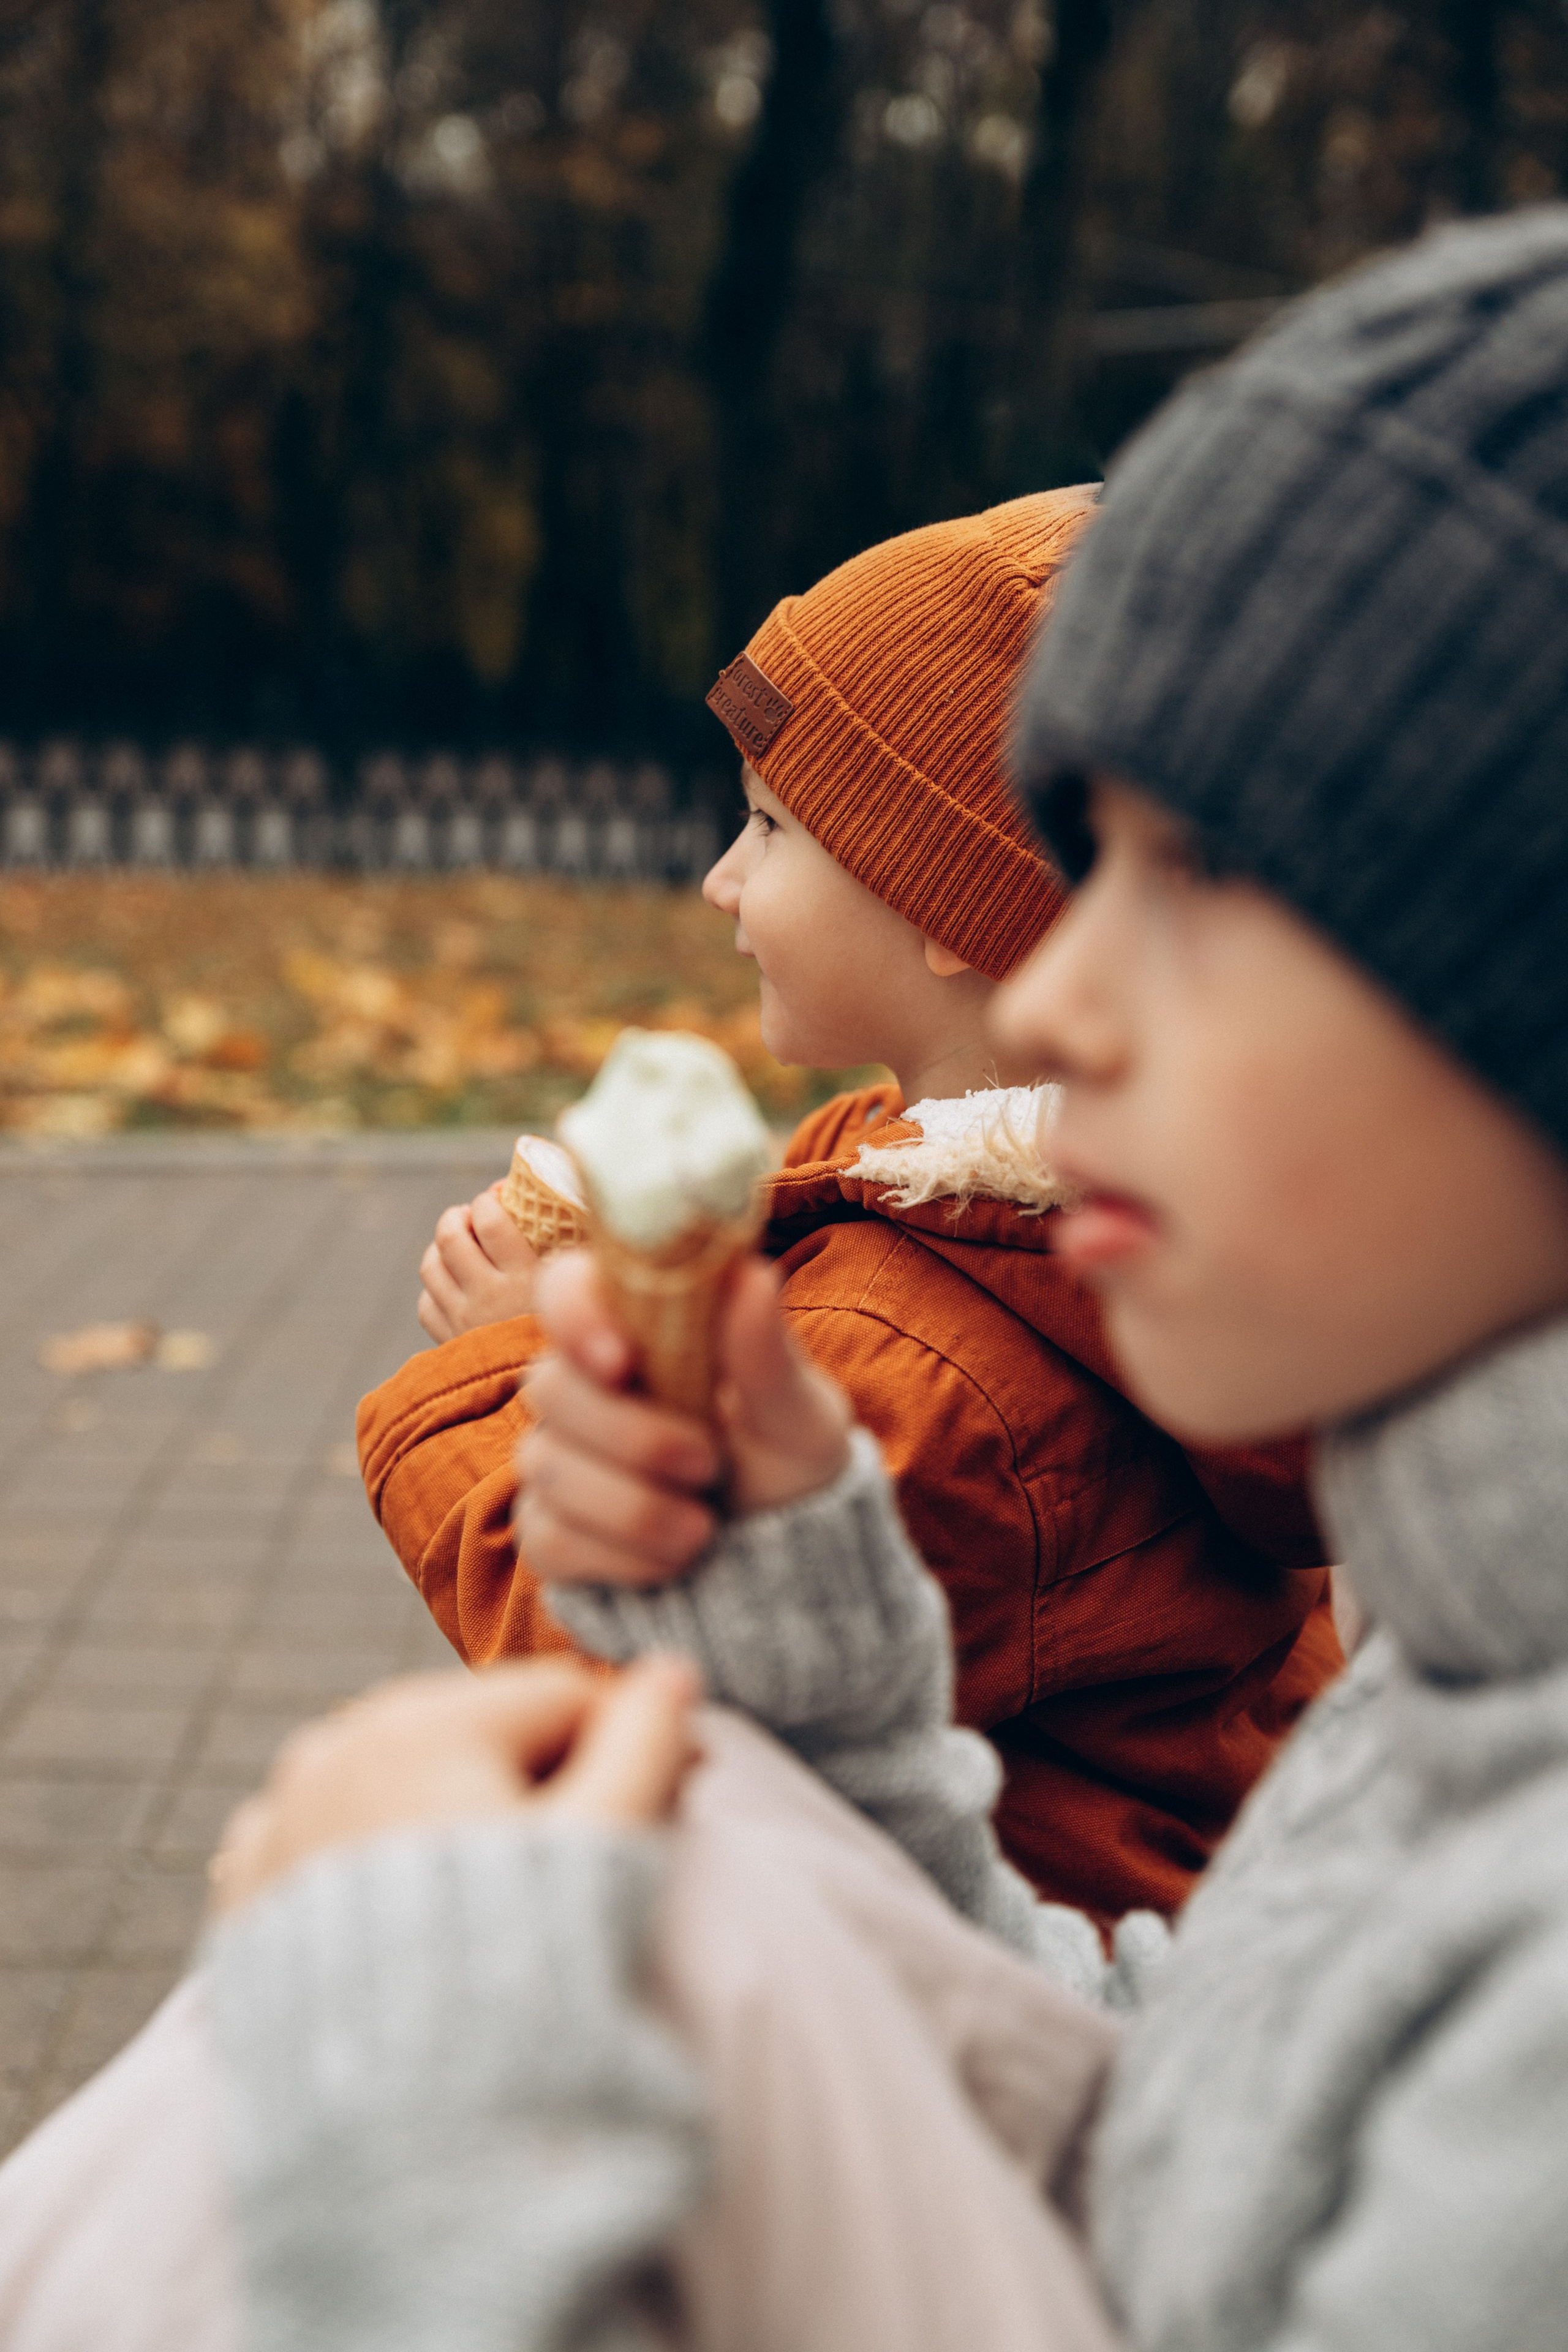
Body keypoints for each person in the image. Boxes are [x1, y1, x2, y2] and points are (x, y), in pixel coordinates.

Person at [358, 488, 1338, 1926]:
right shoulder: (928, 1180)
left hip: (957, 2024)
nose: (718, 880)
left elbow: (626, 1697)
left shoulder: (939, 1380)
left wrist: (506, 1377)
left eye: (769, 827)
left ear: (949, 897)